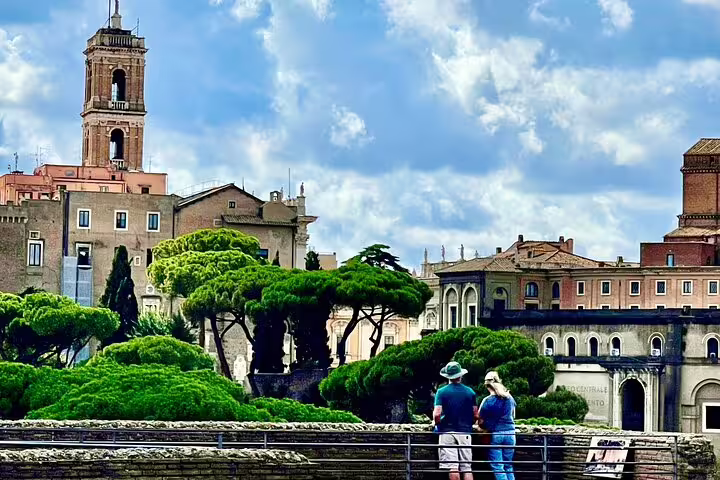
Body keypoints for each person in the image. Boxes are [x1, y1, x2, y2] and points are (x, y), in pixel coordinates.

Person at [433, 361, 479, 480]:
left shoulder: (441, 392)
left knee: (453, 466)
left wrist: (437, 422)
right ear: (460, 375)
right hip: (465, 432)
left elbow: (437, 414)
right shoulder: (470, 392)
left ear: (447, 376)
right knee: (467, 467)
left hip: (447, 431)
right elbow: (476, 415)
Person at [479, 371, 516, 480]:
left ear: (486, 385)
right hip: (510, 433)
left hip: (496, 434)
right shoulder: (509, 398)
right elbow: (513, 415)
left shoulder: (487, 401)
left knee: (498, 467)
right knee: (508, 466)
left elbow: (480, 421)